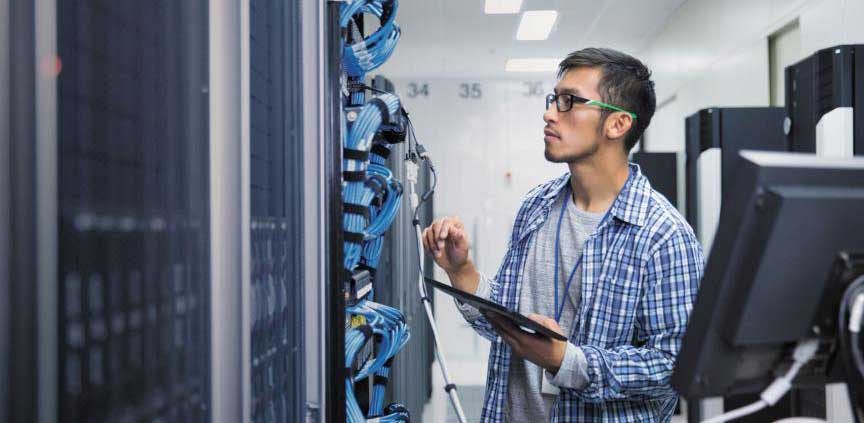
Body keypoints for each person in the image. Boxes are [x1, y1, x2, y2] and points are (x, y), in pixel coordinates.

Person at [421, 48, 704, 422]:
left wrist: (567, 361)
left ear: (617, 124)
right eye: (554, 98)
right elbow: (507, 326)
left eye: (569, 101)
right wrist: (462, 271)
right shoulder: (537, 207)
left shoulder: (663, 235)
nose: (549, 112)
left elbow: (675, 365)